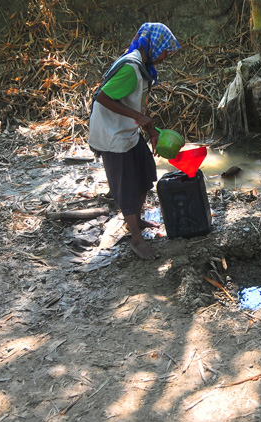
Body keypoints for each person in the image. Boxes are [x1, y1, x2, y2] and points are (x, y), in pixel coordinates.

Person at [89, 23, 180, 260]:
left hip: (126, 130)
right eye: (165, 51)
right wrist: (138, 117)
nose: (166, 56)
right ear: (154, 45)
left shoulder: (143, 67)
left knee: (145, 171)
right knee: (127, 186)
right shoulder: (131, 68)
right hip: (112, 134)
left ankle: (135, 222)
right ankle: (136, 241)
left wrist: (151, 130)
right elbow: (103, 97)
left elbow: (136, 104)